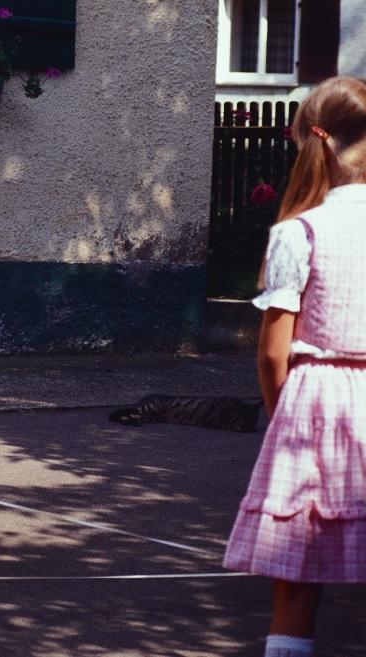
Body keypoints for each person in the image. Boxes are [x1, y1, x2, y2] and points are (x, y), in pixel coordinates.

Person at [224, 76, 366, 656]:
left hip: (317, 400)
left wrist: (281, 410)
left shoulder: (299, 230)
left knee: (299, 571)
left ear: (316, 140)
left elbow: (272, 350)